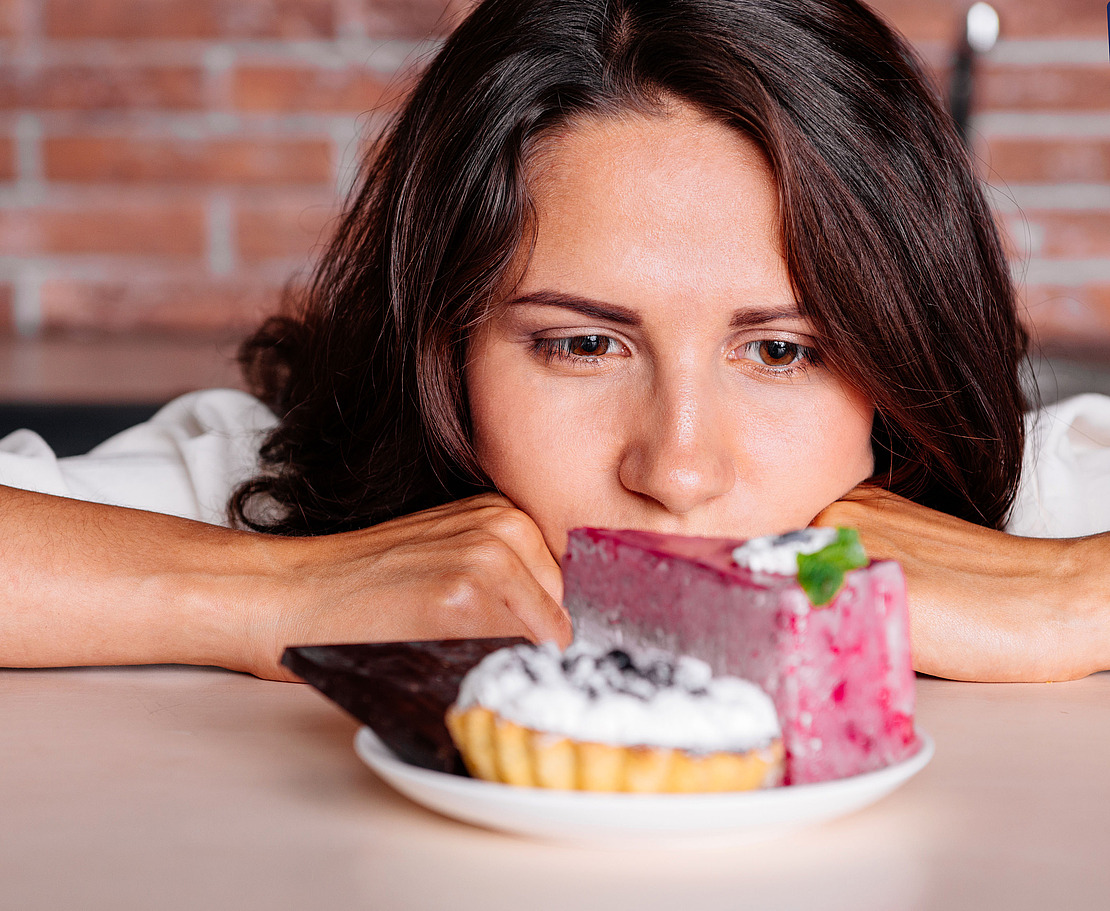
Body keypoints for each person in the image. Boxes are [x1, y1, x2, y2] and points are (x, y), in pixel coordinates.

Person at [1, 0, 1108, 684]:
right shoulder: (282, 504)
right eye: (583, 346)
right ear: (446, 353)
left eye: (780, 353)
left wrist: (1067, 593)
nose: (677, 470)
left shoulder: (1034, 509)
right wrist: (273, 595)